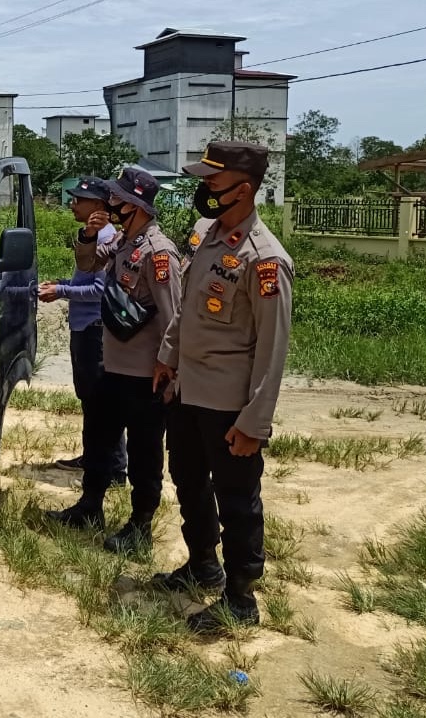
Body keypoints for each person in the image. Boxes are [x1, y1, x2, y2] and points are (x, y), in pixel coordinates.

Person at [151, 141, 294, 633]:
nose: (204, 190)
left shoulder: (265, 259)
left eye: (212, 182)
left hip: (228, 405)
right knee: (188, 481)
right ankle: (201, 564)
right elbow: (189, 312)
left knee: (236, 499)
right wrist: (167, 359)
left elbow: (272, 350)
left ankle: (240, 598)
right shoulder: (208, 237)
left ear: (244, 189)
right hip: (187, 392)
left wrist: (254, 421)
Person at [46, 166, 182, 555]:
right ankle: (90, 506)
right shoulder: (126, 242)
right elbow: (89, 264)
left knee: (143, 452)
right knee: (99, 436)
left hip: (145, 373)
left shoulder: (159, 253)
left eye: (118, 199)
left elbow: (174, 316)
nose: (112, 204)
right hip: (114, 364)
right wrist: (88, 234)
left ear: (134, 205)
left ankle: (140, 526)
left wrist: (167, 366)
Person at [38, 177, 127, 486]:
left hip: (95, 329)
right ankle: (94, 458)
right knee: (90, 399)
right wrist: (63, 285)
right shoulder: (93, 235)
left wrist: (60, 290)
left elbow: (99, 290)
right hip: (85, 326)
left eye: (79, 199)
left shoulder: (106, 238)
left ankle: (113, 469)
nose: (72, 203)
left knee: (101, 402)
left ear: (99, 207)